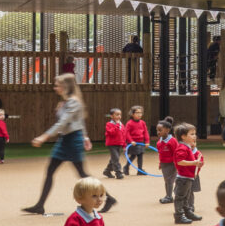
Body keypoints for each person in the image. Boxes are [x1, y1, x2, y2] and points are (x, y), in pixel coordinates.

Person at [25, 74, 118, 216]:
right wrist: (85, 137)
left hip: (73, 140)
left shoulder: (73, 102)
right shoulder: (66, 102)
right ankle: (40, 205)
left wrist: (44, 136)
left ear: (65, 86)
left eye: (57, 85)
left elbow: (64, 123)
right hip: (64, 140)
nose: (54, 88)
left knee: (82, 174)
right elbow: (78, 121)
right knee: (51, 171)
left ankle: (109, 198)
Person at [173, 123, 205, 225]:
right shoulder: (182, 147)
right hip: (183, 178)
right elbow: (180, 161)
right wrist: (194, 163)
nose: (194, 136)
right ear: (183, 136)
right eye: (191, 134)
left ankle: (187, 212)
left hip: (188, 177)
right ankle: (179, 216)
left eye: (194, 134)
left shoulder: (187, 147)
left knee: (186, 197)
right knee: (180, 198)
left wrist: (197, 163)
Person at [156, 116, 180, 201]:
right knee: (167, 180)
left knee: (169, 180)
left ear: (167, 130)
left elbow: (177, 153)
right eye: (157, 130)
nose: (158, 132)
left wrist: (177, 164)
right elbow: (160, 154)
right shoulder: (159, 142)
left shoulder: (172, 141)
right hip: (164, 164)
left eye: (160, 130)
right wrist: (160, 163)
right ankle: (168, 195)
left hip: (172, 164)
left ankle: (169, 197)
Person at [103, 108, 128, 180]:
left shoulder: (122, 125)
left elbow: (123, 135)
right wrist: (117, 125)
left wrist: (124, 145)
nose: (119, 116)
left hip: (119, 144)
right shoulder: (109, 124)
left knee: (114, 159)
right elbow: (111, 133)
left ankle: (107, 171)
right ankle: (118, 172)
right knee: (116, 158)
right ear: (111, 116)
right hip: (112, 145)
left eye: (120, 114)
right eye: (117, 114)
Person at [123, 105, 148, 175]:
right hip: (133, 143)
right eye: (137, 112)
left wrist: (147, 141)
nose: (139, 114)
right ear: (132, 114)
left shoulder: (142, 122)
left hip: (140, 142)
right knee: (133, 155)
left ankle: (140, 170)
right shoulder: (129, 123)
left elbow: (145, 132)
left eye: (140, 112)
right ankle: (126, 167)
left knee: (140, 155)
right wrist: (131, 141)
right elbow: (126, 133)